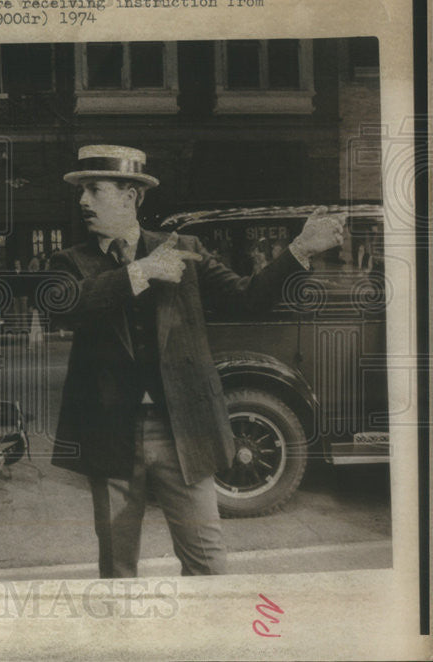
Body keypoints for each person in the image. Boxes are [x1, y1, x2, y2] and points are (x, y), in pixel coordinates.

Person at [49, 144, 345, 578]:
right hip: (111, 434)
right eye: (82, 192)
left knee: (208, 565)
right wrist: (142, 271)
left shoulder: (184, 248)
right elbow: (65, 306)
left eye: (94, 190)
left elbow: (248, 298)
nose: (83, 201)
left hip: (183, 429)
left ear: (130, 196)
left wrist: (299, 249)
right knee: (117, 570)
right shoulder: (70, 261)